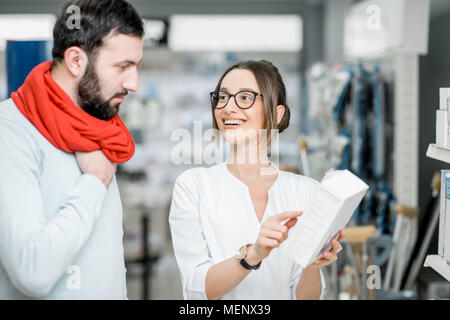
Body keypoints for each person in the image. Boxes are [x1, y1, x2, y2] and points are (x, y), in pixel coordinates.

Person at [0, 0, 143, 299]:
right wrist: (92, 183)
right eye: (123, 67)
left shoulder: (98, 130)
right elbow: (32, 272)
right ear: (76, 61)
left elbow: (108, 267)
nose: (134, 83)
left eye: (136, 66)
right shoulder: (10, 132)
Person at [169, 60, 345, 300]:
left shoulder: (306, 192)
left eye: (244, 98)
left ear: (275, 113)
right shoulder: (193, 186)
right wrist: (254, 254)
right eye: (222, 97)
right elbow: (197, 288)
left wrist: (312, 263)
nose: (228, 108)